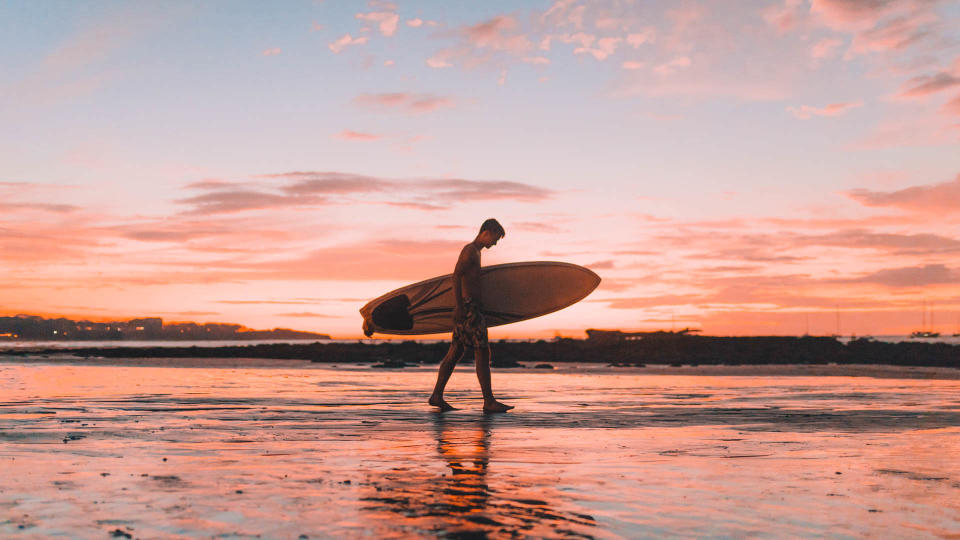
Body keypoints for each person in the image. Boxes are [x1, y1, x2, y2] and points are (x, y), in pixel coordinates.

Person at [429, 219, 514, 413]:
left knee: (455, 352)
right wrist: (459, 307)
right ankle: (489, 401)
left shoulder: (475, 252)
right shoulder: (470, 251)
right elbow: (456, 276)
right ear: (487, 232)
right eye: (495, 238)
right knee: (482, 352)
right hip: (469, 309)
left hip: (471, 308)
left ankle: (436, 395)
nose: (495, 243)